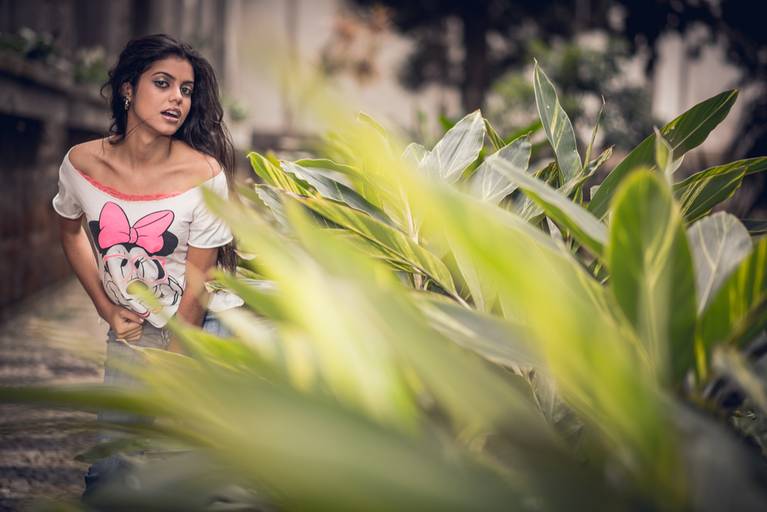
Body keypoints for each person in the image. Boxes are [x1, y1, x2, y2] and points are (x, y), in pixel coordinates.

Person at [51, 33, 243, 501]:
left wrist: (171, 365)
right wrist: (106, 308)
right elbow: (70, 232)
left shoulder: (204, 175)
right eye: (163, 83)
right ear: (128, 88)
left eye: (186, 89)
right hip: (135, 328)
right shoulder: (81, 164)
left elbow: (198, 288)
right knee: (109, 474)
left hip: (205, 327)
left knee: (194, 476)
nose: (177, 97)